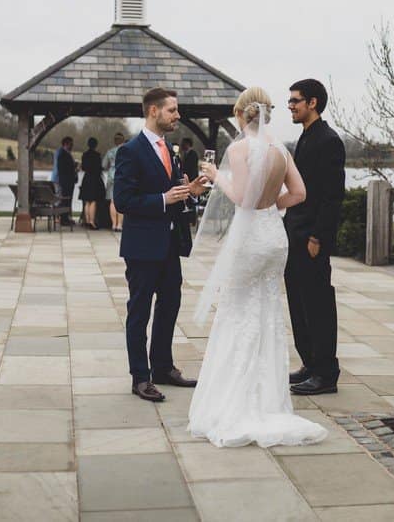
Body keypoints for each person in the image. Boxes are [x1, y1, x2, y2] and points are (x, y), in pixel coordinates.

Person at [188, 86, 327, 448]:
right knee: (267, 313)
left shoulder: (238, 149)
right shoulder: (281, 149)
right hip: (274, 238)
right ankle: (269, 401)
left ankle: (235, 402)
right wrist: (272, 205)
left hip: (250, 238)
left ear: (240, 115)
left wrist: (215, 176)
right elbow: (299, 194)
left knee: (236, 311)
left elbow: (242, 198)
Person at [113, 88, 207, 402]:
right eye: (172, 110)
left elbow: (174, 192)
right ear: (154, 111)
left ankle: (163, 368)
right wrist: (163, 199)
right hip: (142, 247)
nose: (177, 116)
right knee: (139, 312)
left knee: (170, 305)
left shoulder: (170, 149)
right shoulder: (131, 151)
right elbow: (123, 201)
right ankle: (140, 377)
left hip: (169, 244)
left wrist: (189, 190)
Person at [284, 78, 345, 396]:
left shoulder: (329, 140)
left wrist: (318, 238)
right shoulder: (305, 137)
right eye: (289, 101)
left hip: (311, 239)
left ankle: (326, 373)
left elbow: (332, 197)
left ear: (313, 103)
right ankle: (309, 362)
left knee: (318, 304)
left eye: (296, 100)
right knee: (299, 302)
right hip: (294, 233)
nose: (290, 106)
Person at [79, 137, 106, 229]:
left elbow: (83, 167)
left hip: (86, 179)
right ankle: (92, 222)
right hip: (95, 179)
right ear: (96, 145)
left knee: (87, 201)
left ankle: (87, 221)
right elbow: (99, 168)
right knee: (93, 201)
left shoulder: (84, 155)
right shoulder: (97, 155)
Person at [103, 132, 126, 232]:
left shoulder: (110, 152)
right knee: (121, 200)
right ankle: (120, 225)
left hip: (112, 175)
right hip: (122, 175)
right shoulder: (126, 150)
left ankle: (113, 224)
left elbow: (104, 165)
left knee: (112, 202)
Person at [52, 136, 77, 226]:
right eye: (71, 144)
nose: (72, 146)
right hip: (63, 181)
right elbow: (62, 169)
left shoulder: (66, 153)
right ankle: (62, 218)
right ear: (66, 144)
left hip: (67, 181)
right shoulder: (61, 153)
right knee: (63, 199)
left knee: (66, 200)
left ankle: (65, 218)